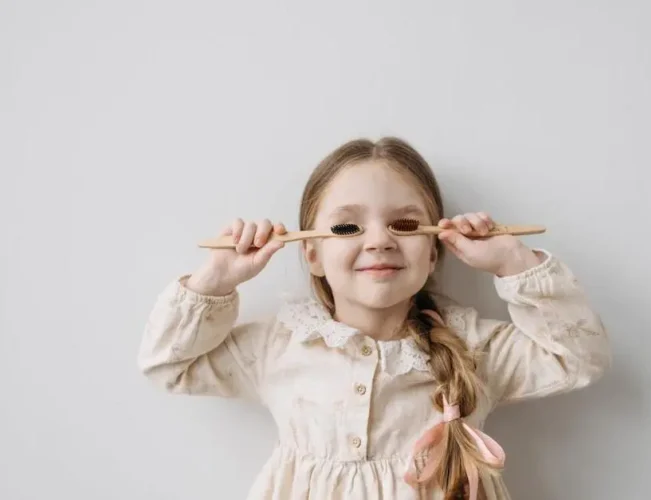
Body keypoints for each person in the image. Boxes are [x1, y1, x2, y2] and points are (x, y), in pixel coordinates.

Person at [137, 137, 611, 500]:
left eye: (404, 224)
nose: (380, 240)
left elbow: (580, 358)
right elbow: (167, 364)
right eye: (347, 227)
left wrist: (514, 263)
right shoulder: (277, 345)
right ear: (313, 254)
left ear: (432, 254)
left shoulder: (475, 347)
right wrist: (217, 279)